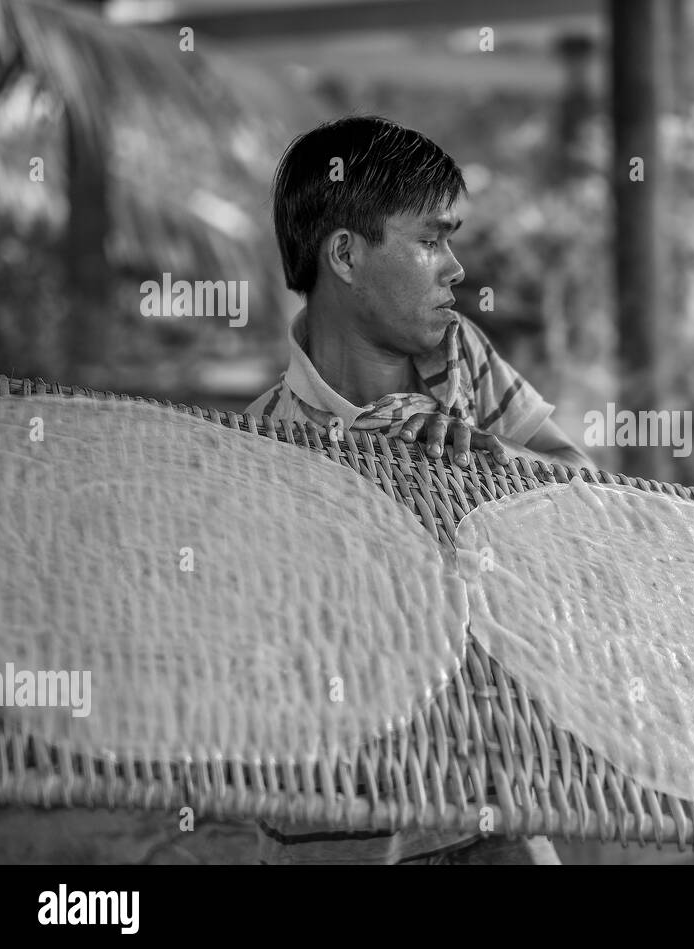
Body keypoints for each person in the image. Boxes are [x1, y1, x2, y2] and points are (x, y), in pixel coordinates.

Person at [247, 115, 592, 864]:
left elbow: (587, 497)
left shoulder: (461, 360)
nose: (456, 268)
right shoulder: (261, 447)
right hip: (333, 823)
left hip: (486, 795)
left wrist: (493, 457)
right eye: (431, 241)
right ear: (345, 254)